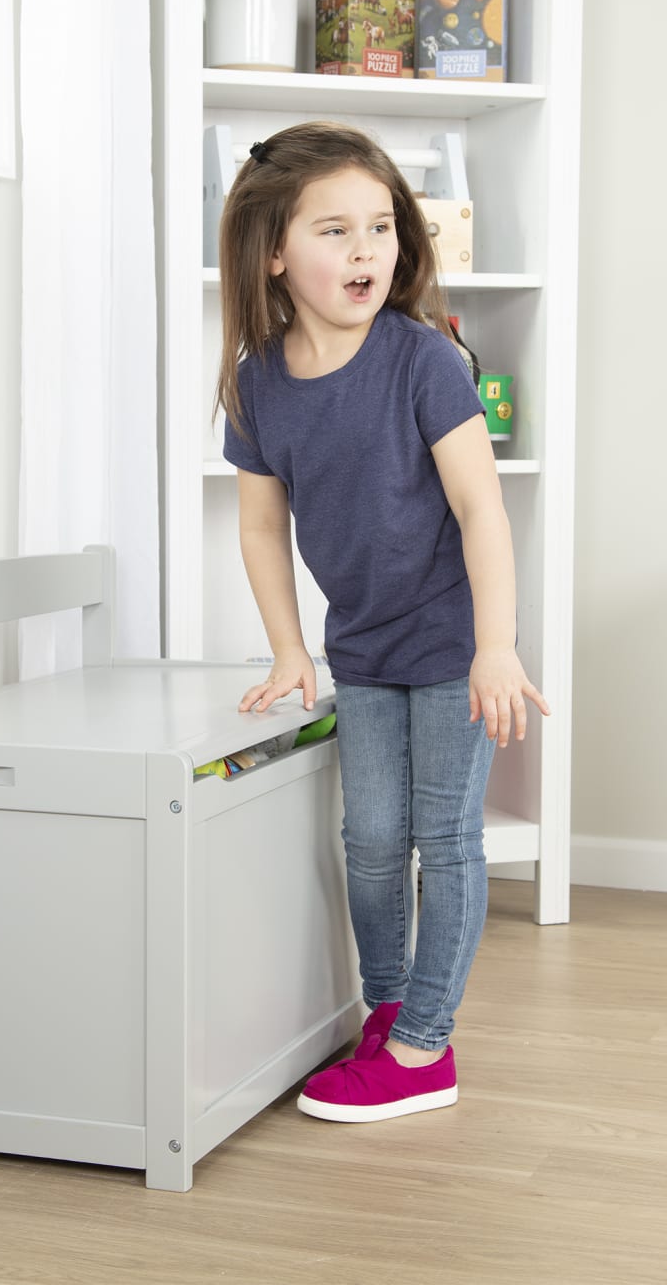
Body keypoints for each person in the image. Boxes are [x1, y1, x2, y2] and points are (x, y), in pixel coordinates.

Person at [216, 121, 548, 1123]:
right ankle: (390, 1005)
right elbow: (262, 528)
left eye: (381, 227)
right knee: (370, 840)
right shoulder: (258, 379)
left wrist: (496, 645)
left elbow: (483, 508)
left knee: (443, 840)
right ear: (273, 251)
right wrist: (289, 649)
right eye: (335, 231)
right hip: (362, 650)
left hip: (451, 648)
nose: (367, 251)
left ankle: (422, 1050)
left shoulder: (422, 360)